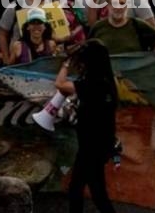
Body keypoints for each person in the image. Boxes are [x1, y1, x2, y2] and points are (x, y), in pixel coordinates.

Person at [54, 39, 118, 213]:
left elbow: (60, 84)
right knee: (97, 191)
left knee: (76, 188)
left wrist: (66, 65)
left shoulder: (92, 83)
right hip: (101, 143)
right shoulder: (109, 82)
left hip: (91, 145)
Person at [89, 0, 155, 55]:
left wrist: (150, 60)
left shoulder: (137, 25)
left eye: (122, 3)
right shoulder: (98, 27)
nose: (118, 7)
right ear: (108, 6)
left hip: (134, 74)